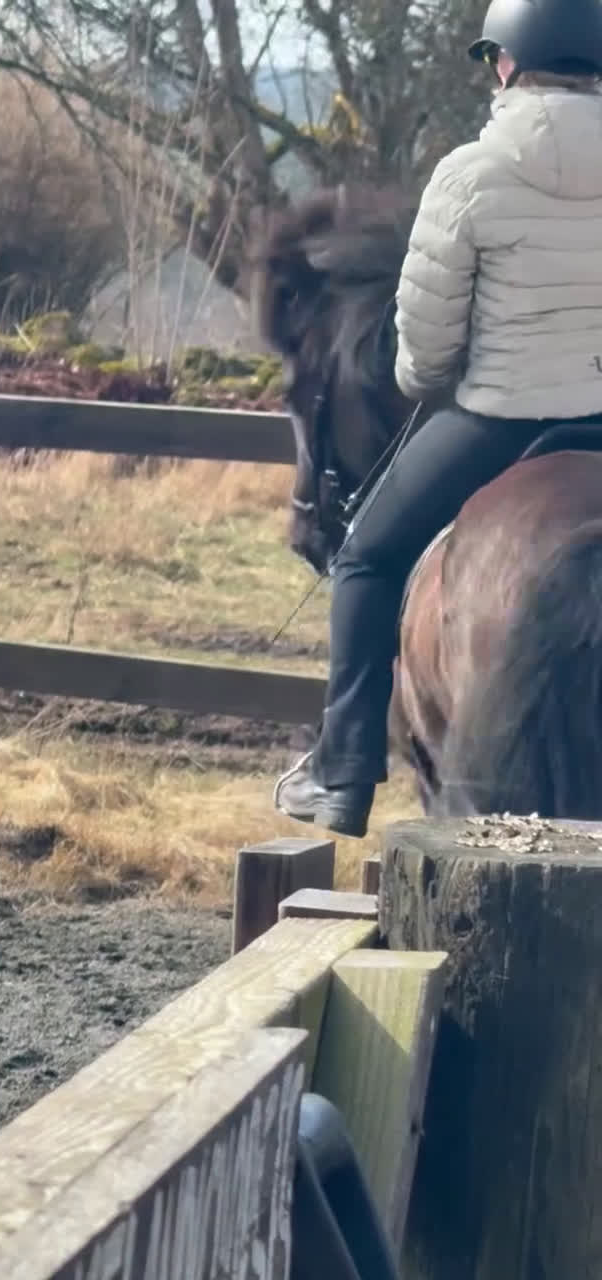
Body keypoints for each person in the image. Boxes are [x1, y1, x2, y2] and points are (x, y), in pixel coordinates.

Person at [273, 0, 602, 836]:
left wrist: (431, 379)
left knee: (367, 560)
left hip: (499, 419)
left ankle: (342, 774)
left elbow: (422, 342)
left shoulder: (469, 172)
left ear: (509, 63)